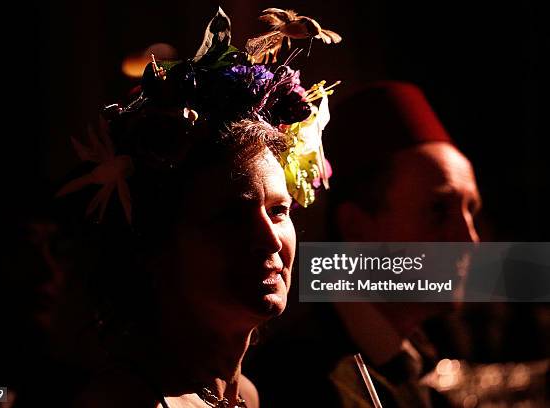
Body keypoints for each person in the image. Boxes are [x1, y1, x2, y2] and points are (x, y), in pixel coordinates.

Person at [54, 7, 339, 408]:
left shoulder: (249, 395)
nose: (268, 240)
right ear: (157, 246)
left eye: (279, 211)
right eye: (231, 217)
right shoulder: (127, 400)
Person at [246, 81, 482, 407]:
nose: (469, 240)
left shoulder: (419, 351)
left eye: (472, 211)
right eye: (438, 210)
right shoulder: (302, 381)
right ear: (356, 226)